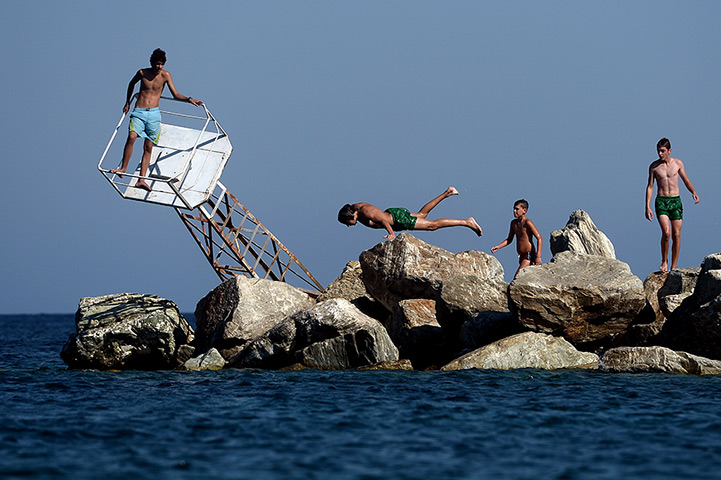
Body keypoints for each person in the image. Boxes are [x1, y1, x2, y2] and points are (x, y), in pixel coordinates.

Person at [111, 48, 203, 192]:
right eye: (157, 64)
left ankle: (141, 180)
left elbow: (175, 94)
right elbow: (131, 84)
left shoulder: (166, 75)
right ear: (151, 62)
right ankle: (123, 168)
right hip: (139, 111)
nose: (159, 67)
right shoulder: (142, 72)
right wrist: (127, 102)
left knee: (148, 147)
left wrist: (189, 99)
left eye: (161, 64)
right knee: (132, 136)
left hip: (154, 114)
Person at [338, 186, 482, 240]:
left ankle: (466, 222)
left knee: (432, 226)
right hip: (395, 215)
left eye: (347, 223)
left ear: (351, 215)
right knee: (422, 215)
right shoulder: (356, 207)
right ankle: (447, 193)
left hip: (397, 220)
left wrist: (391, 234)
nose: (349, 226)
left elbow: (383, 220)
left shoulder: (366, 211)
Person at [645, 137, 700, 272]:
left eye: (663, 151)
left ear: (669, 150)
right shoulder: (654, 167)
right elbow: (650, 186)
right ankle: (664, 261)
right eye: (658, 151)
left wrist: (693, 191)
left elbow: (685, 179)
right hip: (661, 202)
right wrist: (647, 206)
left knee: (676, 234)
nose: (660, 154)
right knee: (667, 232)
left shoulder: (678, 164)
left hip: (675, 201)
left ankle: (674, 267)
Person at [490, 199, 542, 279]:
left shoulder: (527, 223)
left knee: (517, 278)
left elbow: (539, 238)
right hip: (521, 256)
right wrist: (498, 246)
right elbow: (509, 239)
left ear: (524, 210)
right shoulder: (514, 223)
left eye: (517, 209)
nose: (514, 211)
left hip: (529, 255)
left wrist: (538, 256)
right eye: (514, 209)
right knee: (526, 279)